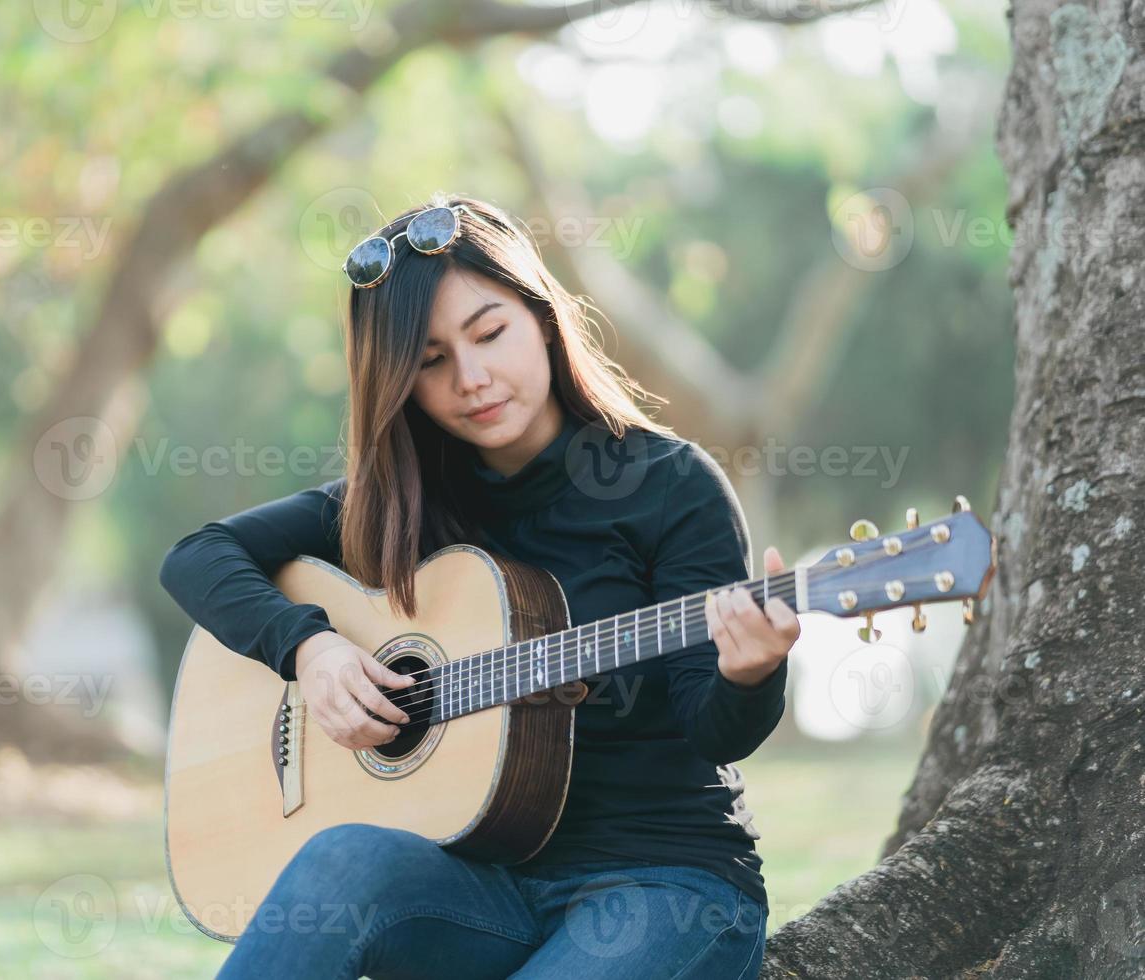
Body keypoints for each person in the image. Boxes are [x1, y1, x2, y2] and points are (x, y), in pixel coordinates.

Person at [159, 193, 801, 979]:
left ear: (542, 317)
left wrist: (751, 673)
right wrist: (312, 650)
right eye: (430, 361)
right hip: (481, 886)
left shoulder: (669, 483)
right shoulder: (398, 500)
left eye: (490, 333)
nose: (472, 378)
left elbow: (716, 730)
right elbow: (198, 556)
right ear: (398, 382)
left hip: (662, 885)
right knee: (343, 861)